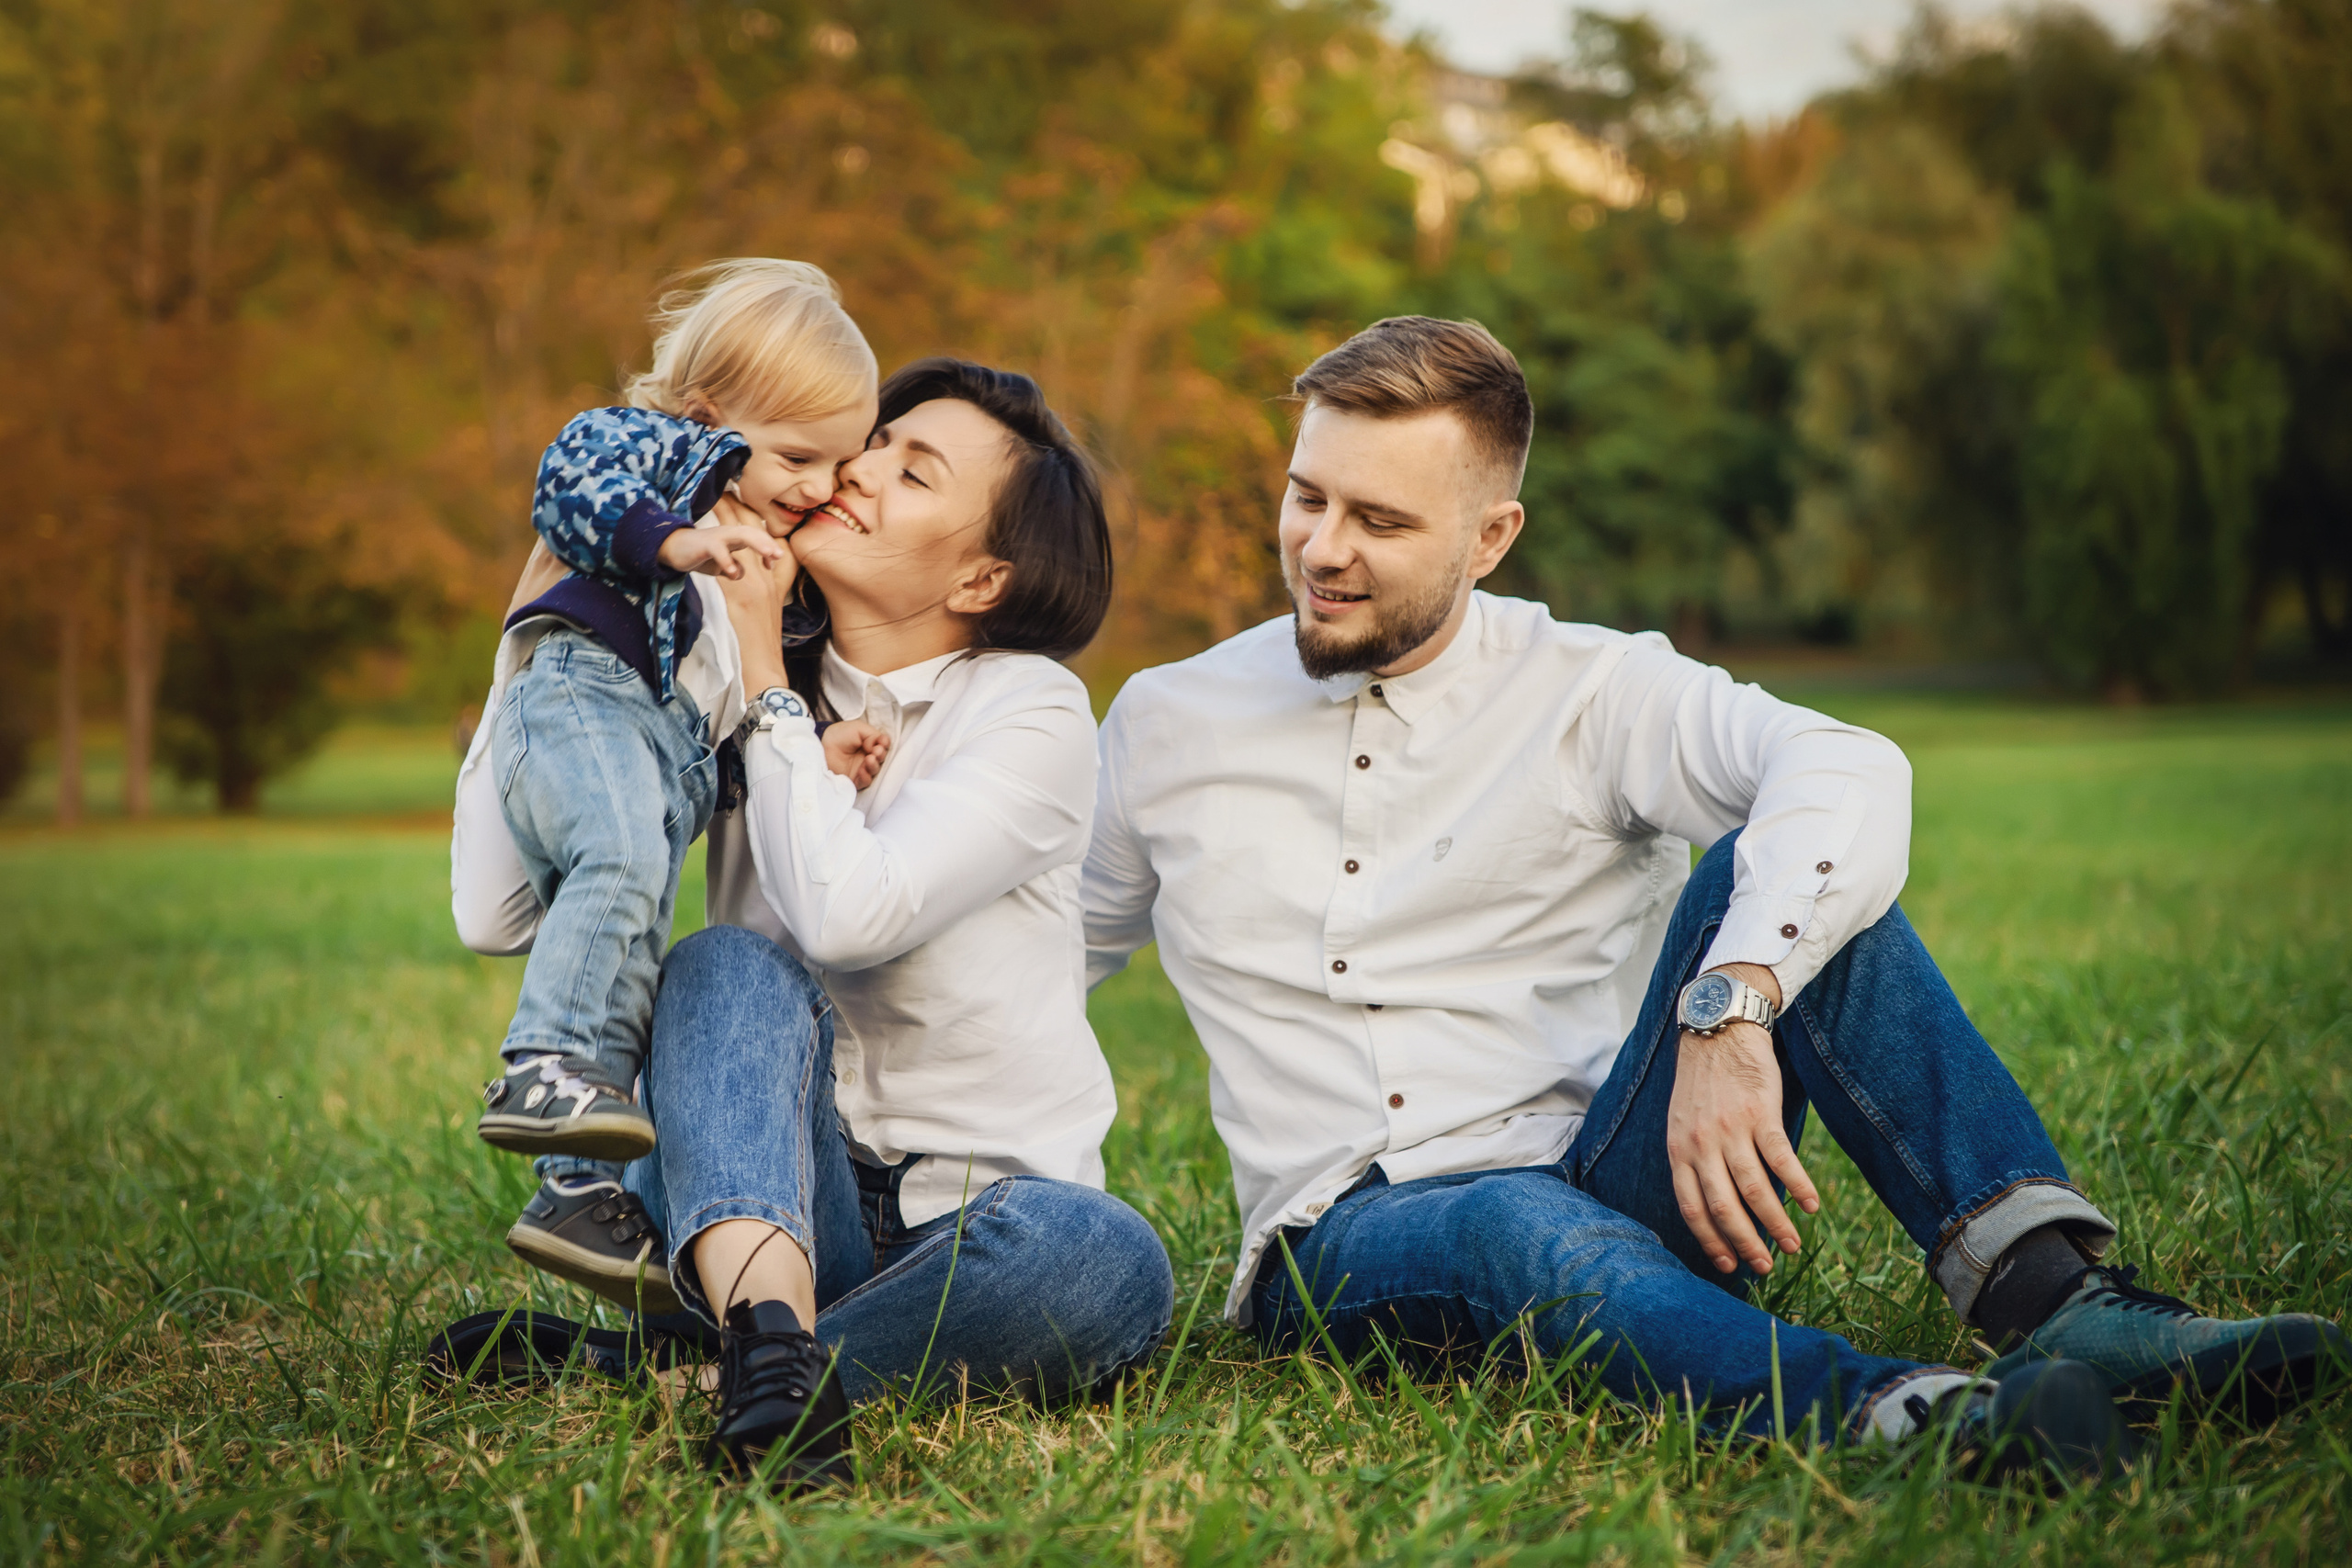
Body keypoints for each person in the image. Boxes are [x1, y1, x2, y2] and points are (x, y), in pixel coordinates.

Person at [1080, 315, 2346, 1481]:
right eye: (1307, 497)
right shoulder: (1167, 720)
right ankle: (1911, 1414)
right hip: (1346, 1238)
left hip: (1622, 1170)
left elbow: (1845, 764)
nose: (1323, 548)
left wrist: (1733, 1003)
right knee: (1510, 1221)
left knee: (1791, 881)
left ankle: (2057, 1300)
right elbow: (1045, 955)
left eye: (1382, 521)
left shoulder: (1592, 687)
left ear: (1491, 537)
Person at [455, 356, 1173, 1493]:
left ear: (984, 575)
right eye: (873, 443)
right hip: (761, 1191)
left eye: (913, 469)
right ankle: (766, 1347)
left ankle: (732, 1369)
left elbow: (851, 916)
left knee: (1106, 1262)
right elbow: (494, 909)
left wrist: (765, 687)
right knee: (722, 965)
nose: (862, 469)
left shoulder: (1031, 712)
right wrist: (545, 620)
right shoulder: (707, 673)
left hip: (976, 1226)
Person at [469, 258, 892, 1204]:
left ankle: (575, 1192)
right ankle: (540, 1063)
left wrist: (808, 749)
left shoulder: (763, 565)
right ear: (705, 418)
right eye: (797, 458)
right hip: (586, 696)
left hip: (659, 752)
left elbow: (718, 709)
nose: (822, 485)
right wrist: (675, 539)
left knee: (633, 958)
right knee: (618, 862)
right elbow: (571, 481)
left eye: (840, 461)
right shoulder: (654, 454)